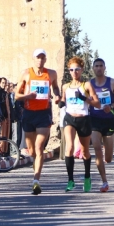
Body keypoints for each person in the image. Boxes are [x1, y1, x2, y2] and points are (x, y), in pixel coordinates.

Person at [15, 48, 61, 195]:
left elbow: (55, 88)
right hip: (29, 113)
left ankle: (36, 180)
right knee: (32, 150)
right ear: (33, 59)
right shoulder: (26, 73)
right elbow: (16, 95)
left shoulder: (51, 73)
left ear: (45, 59)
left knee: (39, 147)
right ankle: (36, 165)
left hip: (44, 114)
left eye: (42, 58)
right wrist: (27, 96)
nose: (40, 60)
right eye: (37, 57)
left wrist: (57, 96)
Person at [60, 57, 99, 193]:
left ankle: (87, 176)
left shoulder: (86, 85)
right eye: (71, 69)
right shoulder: (66, 87)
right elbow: (63, 100)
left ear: (81, 70)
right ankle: (70, 180)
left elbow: (97, 103)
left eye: (77, 69)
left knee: (84, 152)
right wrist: (60, 102)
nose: (74, 72)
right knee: (69, 147)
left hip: (84, 119)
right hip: (70, 118)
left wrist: (85, 99)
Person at [89, 58, 114, 193]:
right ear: (93, 68)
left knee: (108, 158)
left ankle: (106, 156)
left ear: (104, 68)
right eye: (96, 66)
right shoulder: (89, 84)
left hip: (109, 120)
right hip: (94, 120)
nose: (98, 68)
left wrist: (111, 106)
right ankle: (104, 181)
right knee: (97, 149)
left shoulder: (112, 83)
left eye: (101, 66)